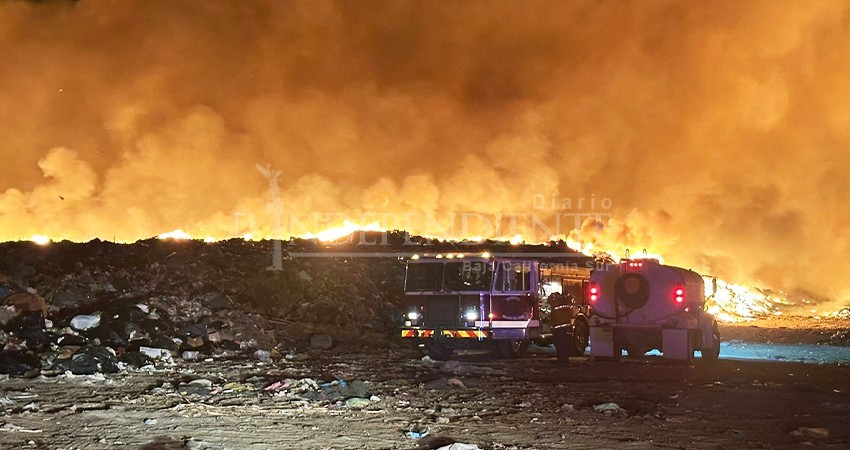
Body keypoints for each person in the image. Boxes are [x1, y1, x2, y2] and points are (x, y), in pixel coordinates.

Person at [548, 292, 575, 365]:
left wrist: (551, 295)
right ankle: (565, 360)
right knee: (565, 344)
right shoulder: (566, 303)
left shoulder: (556, 304)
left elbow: (549, 300)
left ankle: (561, 360)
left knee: (559, 345)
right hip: (566, 328)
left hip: (558, 329)